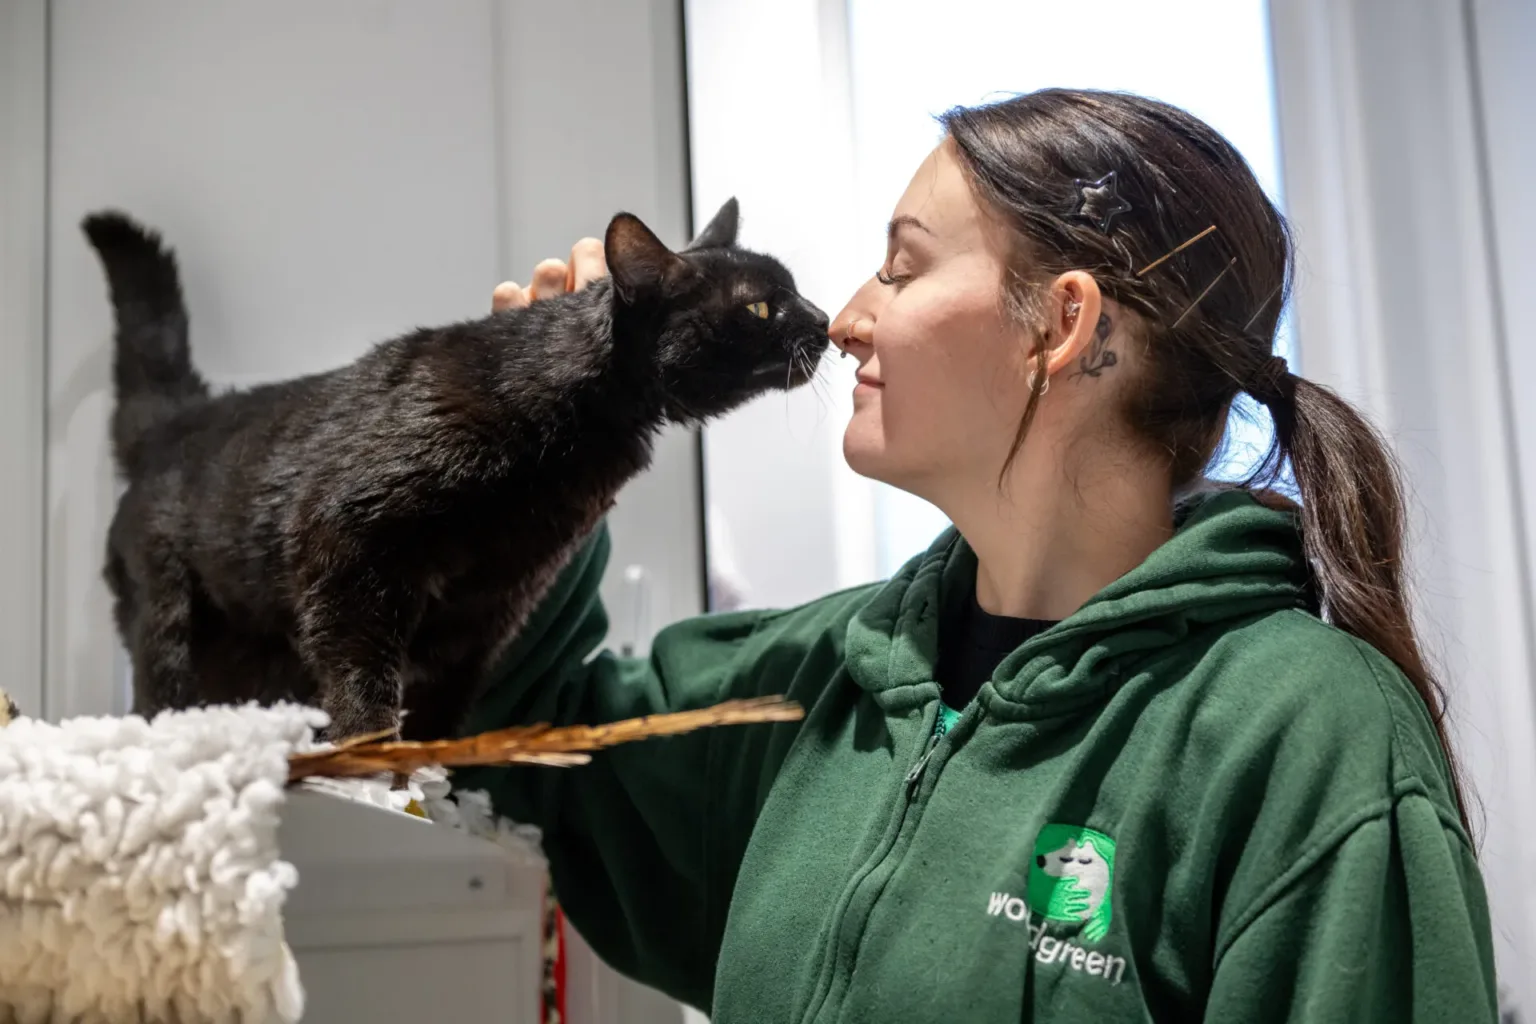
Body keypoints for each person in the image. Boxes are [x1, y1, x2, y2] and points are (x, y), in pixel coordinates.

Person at [452, 89, 1497, 1021]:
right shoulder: (823, 678)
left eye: (902, 267)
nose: (849, 319)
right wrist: (543, 452)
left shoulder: (1308, 738)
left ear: (1064, 322)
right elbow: (535, 740)